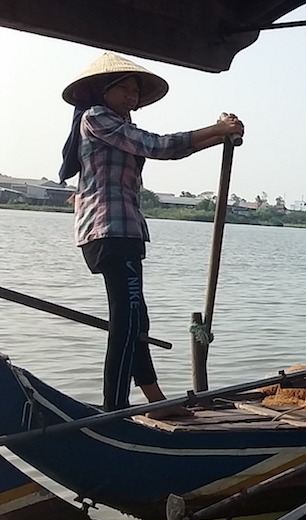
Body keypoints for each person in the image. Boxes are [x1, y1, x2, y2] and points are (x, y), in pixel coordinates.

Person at [60, 52, 245, 414]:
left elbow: (169, 151)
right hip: (110, 231)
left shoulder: (116, 124)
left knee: (135, 319)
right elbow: (158, 146)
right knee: (127, 320)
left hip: (122, 231)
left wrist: (220, 135)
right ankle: (115, 408)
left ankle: (155, 400)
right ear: (103, 90)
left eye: (135, 91)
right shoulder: (95, 117)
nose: (131, 96)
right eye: (124, 89)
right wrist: (217, 128)